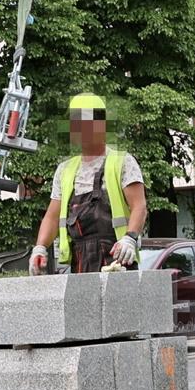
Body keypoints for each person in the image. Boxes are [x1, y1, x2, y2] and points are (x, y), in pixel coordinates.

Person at [29, 93, 149, 275]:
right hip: (79, 262)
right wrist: (40, 247)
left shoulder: (122, 162)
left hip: (118, 258)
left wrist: (130, 238)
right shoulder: (65, 170)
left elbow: (139, 206)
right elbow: (52, 217)